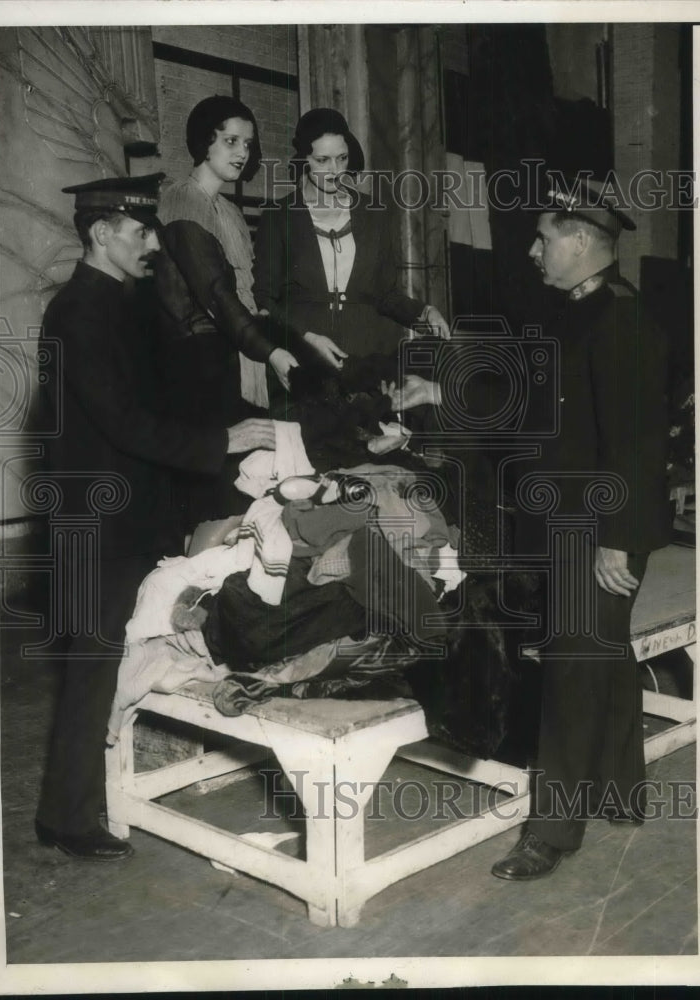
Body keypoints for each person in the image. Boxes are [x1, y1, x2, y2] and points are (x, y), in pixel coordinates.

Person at [34, 174, 277, 861]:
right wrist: (216, 445)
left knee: (143, 645)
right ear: (101, 233)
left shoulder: (127, 305)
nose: (151, 244)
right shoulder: (77, 313)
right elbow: (122, 421)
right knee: (93, 660)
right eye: (140, 232)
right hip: (94, 520)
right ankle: (66, 815)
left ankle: (130, 780)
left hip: (135, 511)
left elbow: (167, 398)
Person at [488, 178, 672, 880]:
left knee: (571, 664)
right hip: (570, 518)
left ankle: (552, 832)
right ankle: (621, 790)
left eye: (542, 238)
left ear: (579, 241)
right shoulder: (573, 311)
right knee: (602, 647)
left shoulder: (620, 319)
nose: (533, 251)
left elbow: (634, 441)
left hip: (602, 523)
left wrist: (616, 537)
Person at [154, 95, 298, 534]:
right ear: (204, 142)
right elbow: (217, 294)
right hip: (195, 368)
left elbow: (249, 299)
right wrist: (270, 352)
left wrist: (299, 341)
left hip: (229, 361)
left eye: (248, 144)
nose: (242, 152)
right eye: (231, 140)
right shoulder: (181, 202)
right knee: (209, 503)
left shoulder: (231, 212)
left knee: (237, 497)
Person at [253, 107, 450, 370]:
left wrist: (424, 312)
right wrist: (305, 336)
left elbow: (385, 295)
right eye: (322, 160)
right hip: (304, 360)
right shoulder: (278, 217)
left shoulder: (373, 213)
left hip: (366, 358)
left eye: (342, 158)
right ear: (303, 159)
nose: (335, 170)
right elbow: (264, 298)